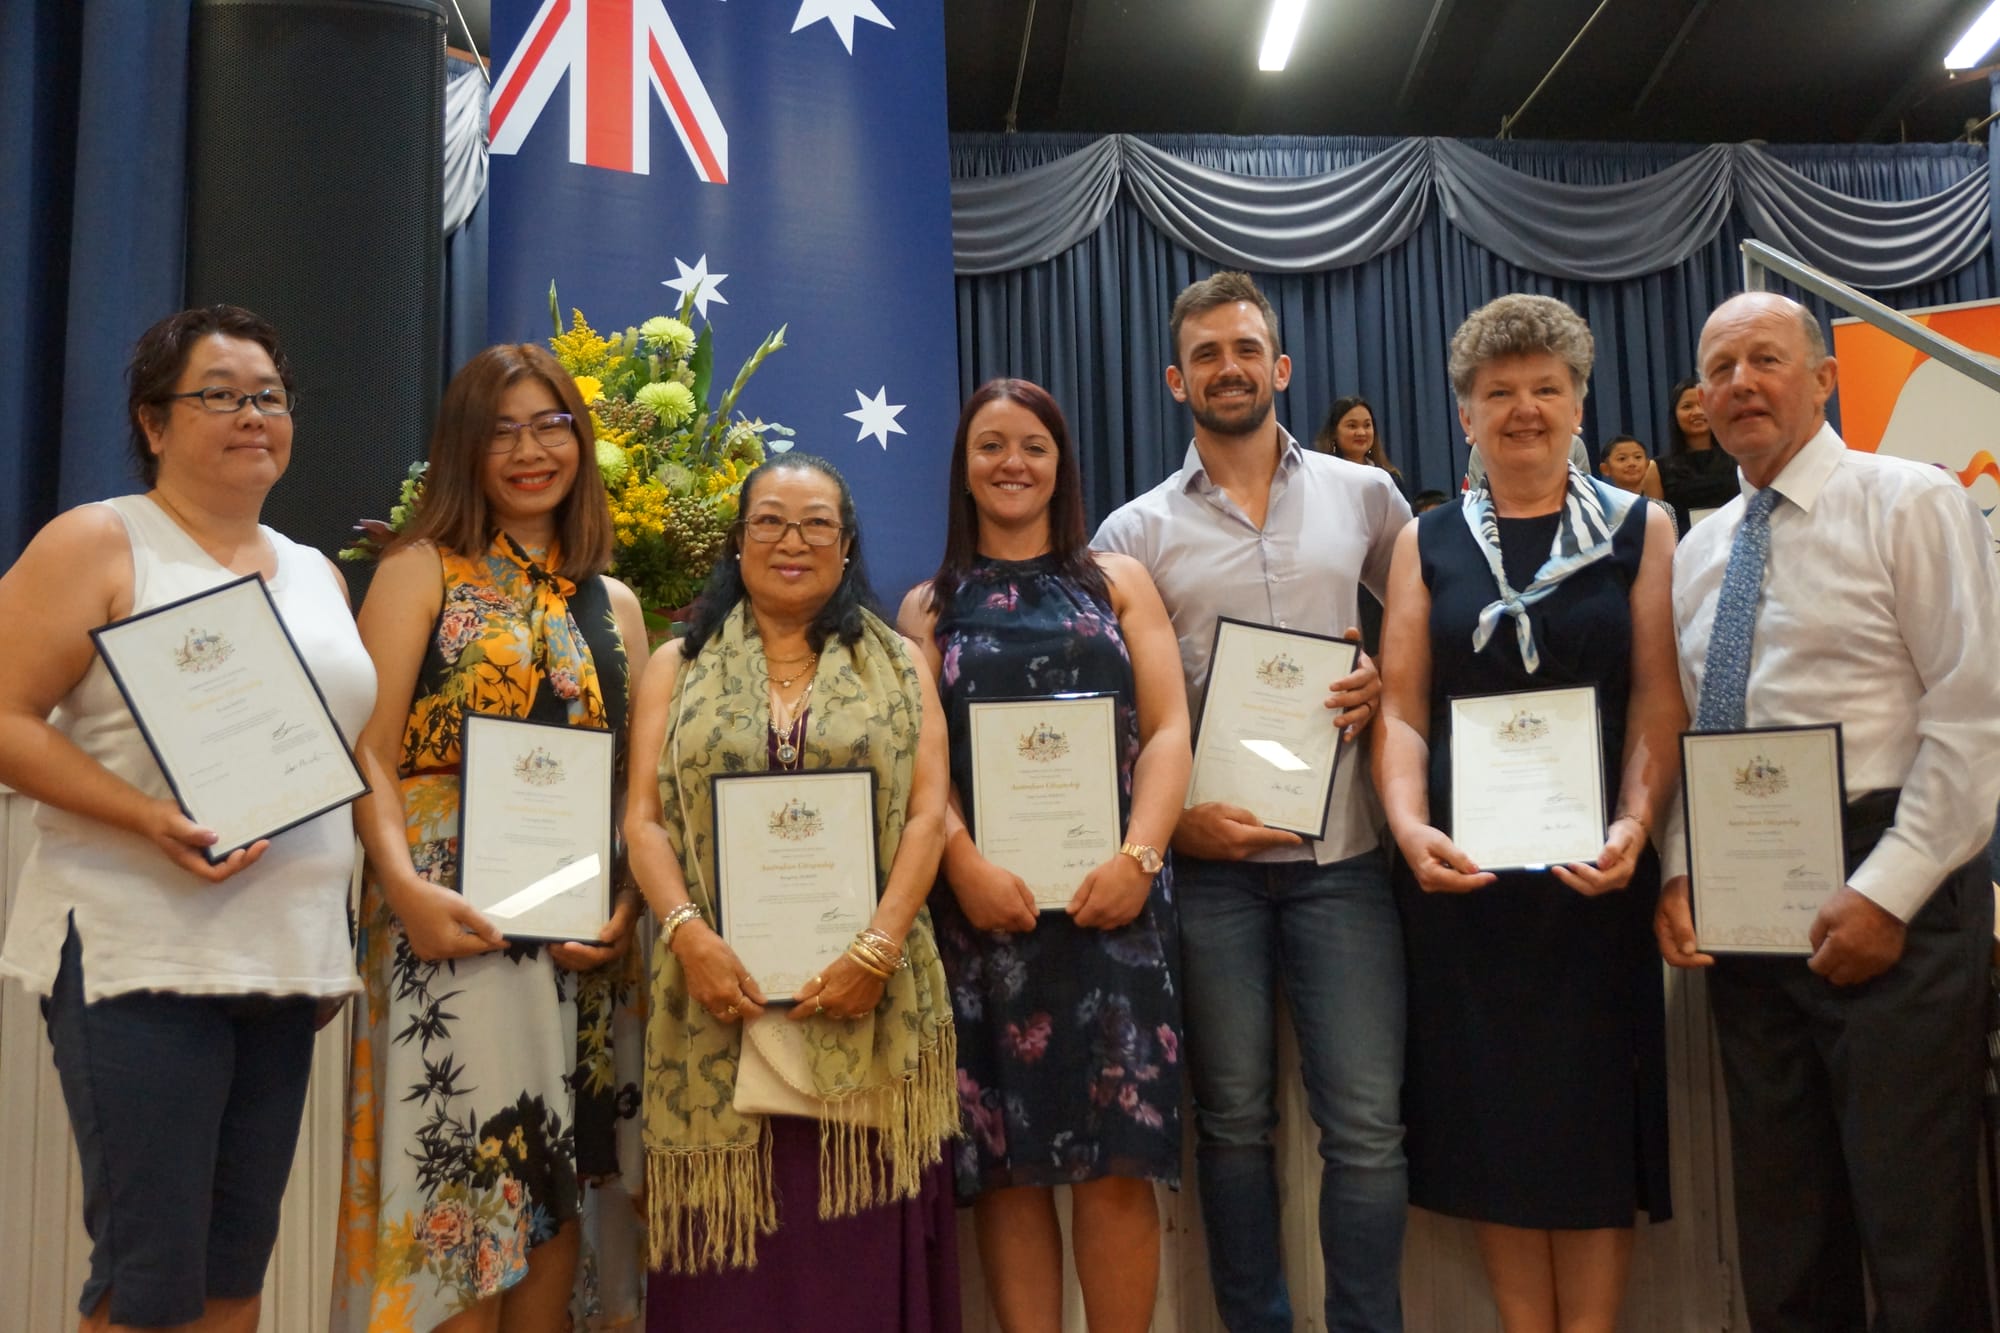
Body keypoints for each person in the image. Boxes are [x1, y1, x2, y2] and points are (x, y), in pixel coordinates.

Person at [0, 306, 375, 1332]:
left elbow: (332, 762)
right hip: (140, 956)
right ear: (153, 423)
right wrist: (146, 816)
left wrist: (325, 937)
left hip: (284, 965)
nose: (251, 414)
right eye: (218, 393)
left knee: (232, 1277)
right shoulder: (101, 539)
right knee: (149, 1280)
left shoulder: (315, 571)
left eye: (268, 395)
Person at [1655, 292, 2000, 1333]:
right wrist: (1682, 868)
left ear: (1821, 377)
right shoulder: (1698, 547)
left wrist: (1886, 893)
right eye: (1718, 368)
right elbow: (1698, 737)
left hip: (1893, 876)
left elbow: (1972, 717)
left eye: (1765, 359)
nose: (1739, 383)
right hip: (1750, 898)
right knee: (1781, 1221)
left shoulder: (1911, 500)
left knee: (1914, 1222)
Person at [1093, 271, 1409, 1333]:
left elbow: (1417, 645)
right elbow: (1116, 725)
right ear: (1173, 377)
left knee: (1364, 1126)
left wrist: (1386, 686)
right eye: (1206, 353)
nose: (1227, 367)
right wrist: (1170, 824)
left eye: (1245, 349)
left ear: (1277, 367)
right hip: (1208, 873)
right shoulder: (1129, 534)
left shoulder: (1367, 496)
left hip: (1344, 860)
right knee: (1230, 1126)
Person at [1374, 294, 1681, 1333]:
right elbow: (1403, 713)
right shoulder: (1425, 541)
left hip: (1590, 878)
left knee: (1589, 1120)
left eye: (1544, 388)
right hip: (1464, 882)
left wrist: (1634, 828)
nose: (1521, 409)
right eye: (1496, 392)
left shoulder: (1640, 529)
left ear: (1577, 402)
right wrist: (1408, 826)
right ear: (1463, 414)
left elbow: (1653, 701)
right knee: (1492, 1122)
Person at [332, 344, 650, 1332]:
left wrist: (627, 911)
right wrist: (404, 889)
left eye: (549, 423)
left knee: (558, 1194)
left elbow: (633, 794)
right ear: (464, 449)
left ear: (579, 439)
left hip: (579, 941)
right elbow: (368, 753)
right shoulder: (419, 567)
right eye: (502, 428)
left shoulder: (619, 605)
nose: (528, 449)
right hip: (448, 921)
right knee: (465, 1197)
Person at [627, 453, 960, 1331]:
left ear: (847, 545)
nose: (791, 540)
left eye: (817, 523)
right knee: (729, 1278)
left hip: (866, 1006)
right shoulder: (674, 665)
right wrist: (689, 934)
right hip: (713, 1007)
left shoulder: (902, 664)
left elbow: (929, 818)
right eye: (769, 520)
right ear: (736, 542)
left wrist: (876, 949)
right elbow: (643, 821)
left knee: (847, 1270)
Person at [897, 379, 1192, 1333]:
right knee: (1012, 1166)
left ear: (1061, 464)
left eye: (1032, 445)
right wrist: (964, 865)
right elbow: (921, 764)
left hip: (1118, 909)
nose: (1012, 462)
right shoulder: (925, 606)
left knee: (1117, 1159)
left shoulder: (1120, 583)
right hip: (986, 916)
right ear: (964, 468)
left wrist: (1141, 856)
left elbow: (1171, 728)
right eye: (990, 446)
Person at [1641, 374, 1737, 532]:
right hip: (1683, 552)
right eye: (1687, 406)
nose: (1697, 412)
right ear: (1675, 415)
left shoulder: (1739, 458)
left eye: (1703, 404)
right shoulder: (1657, 469)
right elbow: (1656, 529)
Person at [1315, 395, 1407, 494]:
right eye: (1352, 426)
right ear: (1333, 432)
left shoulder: (1390, 479)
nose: (1361, 433)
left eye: (1367, 425)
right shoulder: (1321, 477)